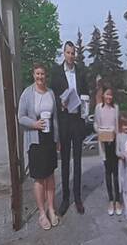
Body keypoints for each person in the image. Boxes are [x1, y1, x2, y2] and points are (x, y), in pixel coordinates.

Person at [17, 63, 59, 231]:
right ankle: (42, 213)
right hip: (35, 141)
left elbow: (55, 118)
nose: (40, 77)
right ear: (33, 75)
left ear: (45, 75)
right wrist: (34, 124)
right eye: (37, 74)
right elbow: (21, 117)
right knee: (39, 178)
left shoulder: (51, 93)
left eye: (42, 74)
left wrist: (57, 139)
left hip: (49, 140)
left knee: (50, 176)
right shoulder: (27, 93)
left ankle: (51, 209)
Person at [49, 40, 89, 215]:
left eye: (73, 53)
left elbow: (86, 94)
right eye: (68, 53)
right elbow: (52, 96)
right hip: (64, 121)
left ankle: (78, 198)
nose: (71, 56)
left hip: (77, 121)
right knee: (65, 161)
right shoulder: (56, 72)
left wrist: (85, 113)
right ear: (63, 53)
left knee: (78, 161)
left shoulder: (81, 72)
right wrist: (61, 103)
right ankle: (65, 199)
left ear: (75, 54)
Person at [94, 87, 122, 216]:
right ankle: (111, 200)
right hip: (104, 144)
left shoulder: (116, 108)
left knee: (116, 172)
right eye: (107, 94)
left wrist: (114, 133)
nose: (109, 97)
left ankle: (118, 200)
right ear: (103, 96)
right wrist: (100, 130)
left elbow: (118, 126)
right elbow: (95, 123)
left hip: (114, 143)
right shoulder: (98, 108)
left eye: (111, 95)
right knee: (108, 172)